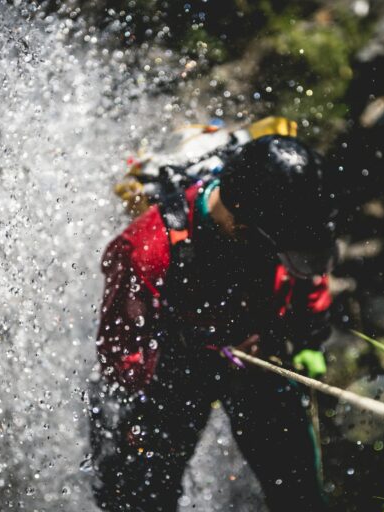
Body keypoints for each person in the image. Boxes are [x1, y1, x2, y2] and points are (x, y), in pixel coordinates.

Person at [90, 135, 340, 511]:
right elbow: (121, 351)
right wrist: (195, 355)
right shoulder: (147, 248)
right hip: (172, 374)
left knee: (299, 493)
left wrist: (308, 339)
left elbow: (307, 275)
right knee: (143, 498)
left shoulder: (283, 224)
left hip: (258, 359)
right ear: (239, 217)